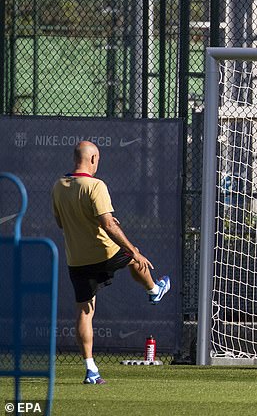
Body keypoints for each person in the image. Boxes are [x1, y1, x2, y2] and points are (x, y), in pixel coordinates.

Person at [52, 141, 171, 384]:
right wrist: (133, 251)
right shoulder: (96, 186)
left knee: (85, 312)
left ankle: (91, 370)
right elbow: (108, 225)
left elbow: (61, 224)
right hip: (104, 254)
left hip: (77, 260)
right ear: (93, 159)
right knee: (134, 255)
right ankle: (154, 290)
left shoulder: (58, 186)